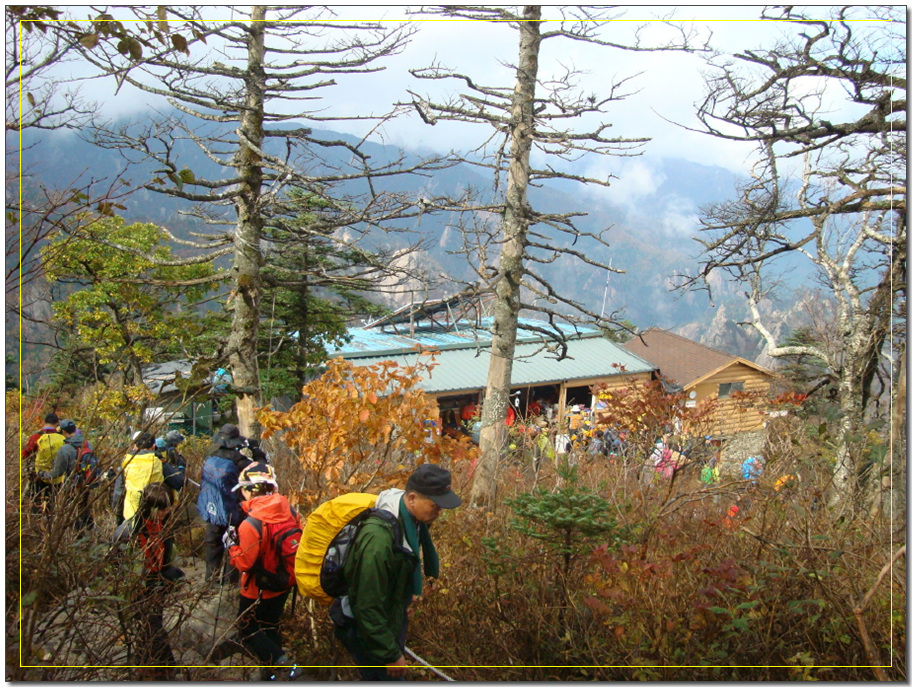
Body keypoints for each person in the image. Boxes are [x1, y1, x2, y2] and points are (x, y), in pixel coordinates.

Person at [330, 463, 462, 680]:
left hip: (386, 619)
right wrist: (389, 654)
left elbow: (399, 572)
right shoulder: (378, 540)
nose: (439, 511)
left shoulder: (412, 522)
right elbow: (367, 604)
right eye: (435, 505)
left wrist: (404, 600)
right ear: (411, 499)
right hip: (363, 628)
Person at [222, 462, 303, 680]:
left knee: (247, 629)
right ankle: (272, 675)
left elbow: (244, 563)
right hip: (285, 582)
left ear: (249, 490)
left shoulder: (251, 523)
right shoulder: (290, 511)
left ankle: (282, 663)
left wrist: (230, 546)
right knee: (270, 626)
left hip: (257, 588)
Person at [112, 482, 184, 679]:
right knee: (151, 627)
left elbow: (167, 552)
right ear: (150, 507)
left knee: (151, 626)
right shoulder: (129, 532)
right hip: (138, 585)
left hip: (156, 581)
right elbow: (116, 562)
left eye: (166, 509)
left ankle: (147, 664)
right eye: (162, 510)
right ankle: (166, 667)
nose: (165, 512)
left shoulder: (161, 525)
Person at [197, 423, 251, 583]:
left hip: (212, 507)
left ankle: (210, 579)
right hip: (233, 508)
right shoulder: (239, 460)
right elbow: (258, 472)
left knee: (212, 542)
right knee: (233, 544)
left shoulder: (211, 455)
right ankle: (230, 581)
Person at [37, 419, 95, 532]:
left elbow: (56, 473)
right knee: (83, 508)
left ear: (63, 431)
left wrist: (42, 474)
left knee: (71, 512)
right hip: (88, 482)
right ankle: (90, 534)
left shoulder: (65, 449)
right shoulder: (89, 444)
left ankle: (77, 535)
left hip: (72, 485)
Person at [113, 432, 165, 525]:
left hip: (130, 513)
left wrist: (117, 514)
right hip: (154, 513)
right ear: (153, 446)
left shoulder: (127, 462)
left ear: (135, 446)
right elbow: (178, 481)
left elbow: (119, 491)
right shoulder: (159, 462)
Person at [22, 412, 65, 509]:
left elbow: (24, 455)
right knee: (51, 503)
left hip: (37, 475)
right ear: (57, 423)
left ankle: (35, 520)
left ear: (44, 422)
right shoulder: (62, 438)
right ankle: (49, 521)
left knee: (35, 502)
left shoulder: (36, 437)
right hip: (56, 476)